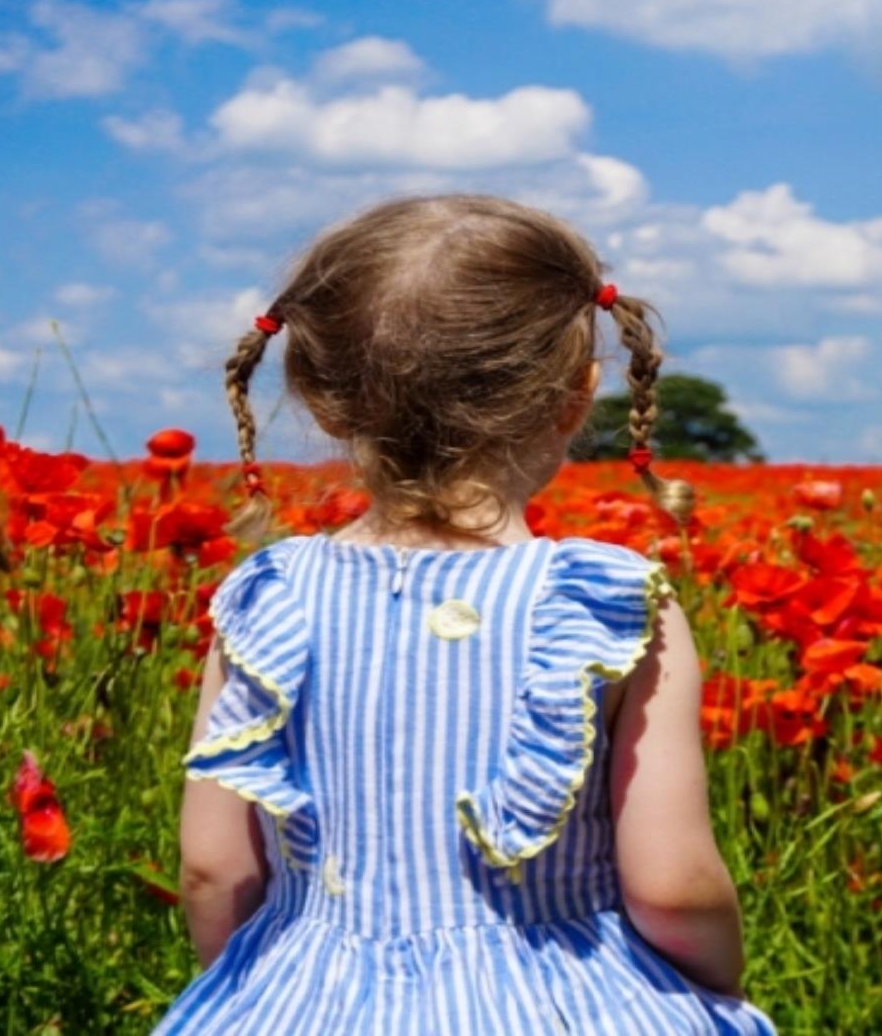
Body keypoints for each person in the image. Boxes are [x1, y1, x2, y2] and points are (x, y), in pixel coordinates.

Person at [157, 195, 773, 1034]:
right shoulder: (609, 604)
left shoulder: (269, 597)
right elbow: (671, 887)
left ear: (322, 400)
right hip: (566, 1004)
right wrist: (717, 995)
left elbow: (213, 868)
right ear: (575, 398)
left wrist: (261, 996)